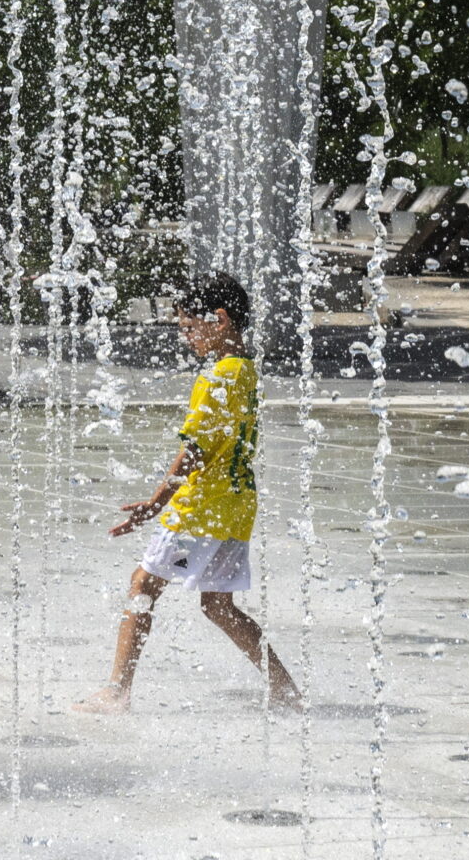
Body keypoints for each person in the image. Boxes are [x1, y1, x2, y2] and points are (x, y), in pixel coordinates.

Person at [77, 271, 299, 716]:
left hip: (201, 505)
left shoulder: (218, 376)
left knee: (143, 584)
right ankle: (284, 688)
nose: (185, 338)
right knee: (218, 605)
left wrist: (154, 504)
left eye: (187, 327)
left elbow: (195, 450)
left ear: (218, 320)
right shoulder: (246, 370)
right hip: (236, 504)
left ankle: (117, 691)